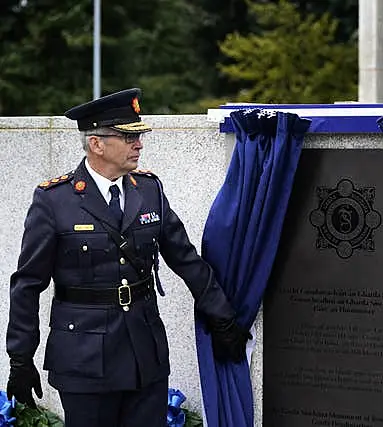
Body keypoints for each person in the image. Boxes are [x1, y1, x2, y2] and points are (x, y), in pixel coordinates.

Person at [5, 88, 251, 427]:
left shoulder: (148, 189)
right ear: (96, 144)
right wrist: (20, 357)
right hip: (84, 358)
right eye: (128, 137)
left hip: (143, 353)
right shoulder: (54, 201)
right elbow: (28, 283)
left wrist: (223, 317)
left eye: (138, 136)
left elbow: (185, 258)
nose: (139, 144)